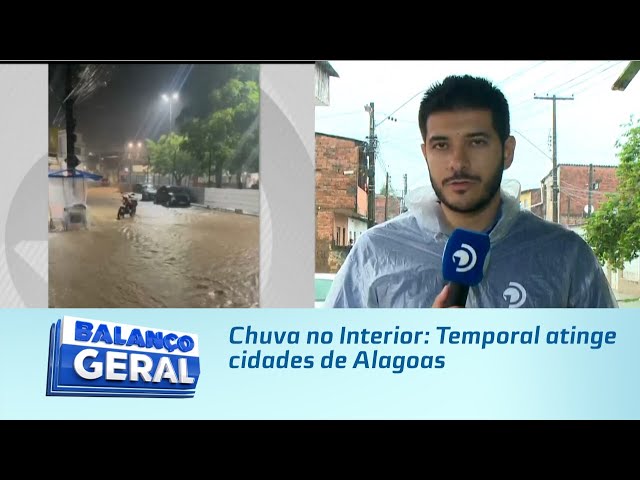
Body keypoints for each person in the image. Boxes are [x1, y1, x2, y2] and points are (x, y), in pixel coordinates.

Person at [324, 74, 618, 308]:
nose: (458, 162)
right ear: (426, 153)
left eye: (476, 142)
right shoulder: (375, 253)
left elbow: (609, 373)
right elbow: (333, 371)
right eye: (441, 145)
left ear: (507, 151)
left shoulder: (566, 256)